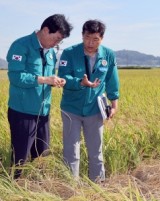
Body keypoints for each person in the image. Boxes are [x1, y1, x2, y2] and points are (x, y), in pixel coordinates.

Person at [6, 14, 73, 179]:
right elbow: (16, 76)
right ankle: (14, 189)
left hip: (43, 112)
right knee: (20, 156)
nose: (57, 44)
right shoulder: (21, 45)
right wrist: (44, 79)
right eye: (56, 39)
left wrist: (54, 81)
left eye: (60, 41)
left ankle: (37, 190)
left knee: (42, 155)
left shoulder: (50, 52)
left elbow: (48, 76)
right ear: (45, 30)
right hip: (23, 111)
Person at [58, 19, 120, 182]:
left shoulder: (108, 55)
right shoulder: (69, 53)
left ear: (102, 38)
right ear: (82, 35)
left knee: (96, 151)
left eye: (95, 39)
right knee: (71, 152)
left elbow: (112, 81)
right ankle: (70, 188)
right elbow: (64, 77)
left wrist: (114, 105)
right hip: (71, 109)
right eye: (87, 38)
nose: (90, 43)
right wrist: (80, 82)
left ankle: (98, 187)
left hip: (95, 109)